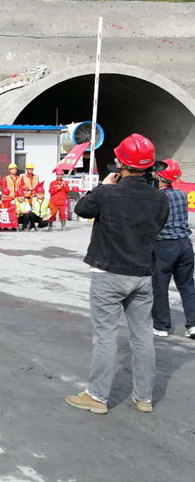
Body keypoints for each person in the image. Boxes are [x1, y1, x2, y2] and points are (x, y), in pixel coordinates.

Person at [65, 133, 169, 415]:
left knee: (106, 337)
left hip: (108, 273)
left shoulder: (108, 193)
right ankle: (144, 397)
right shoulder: (160, 199)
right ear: (149, 166)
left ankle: (97, 397)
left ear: (120, 163)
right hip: (142, 275)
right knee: (143, 337)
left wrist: (103, 185)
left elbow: (81, 208)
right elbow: (157, 227)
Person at [151, 159, 195, 339]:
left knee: (160, 286)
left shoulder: (157, 197)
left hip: (164, 246)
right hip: (185, 244)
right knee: (187, 285)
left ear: (160, 176)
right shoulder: (182, 195)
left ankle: (161, 326)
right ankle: (193, 325)